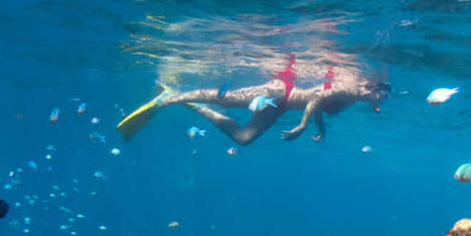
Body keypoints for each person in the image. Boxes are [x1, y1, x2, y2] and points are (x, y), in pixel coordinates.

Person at [116, 76, 390, 145]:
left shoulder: (356, 97)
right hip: (280, 92)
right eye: (382, 95)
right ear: (373, 87)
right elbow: (317, 98)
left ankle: (195, 106)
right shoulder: (353, 90)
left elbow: (319, 101)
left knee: (242, 139)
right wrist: (307, 125)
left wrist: (319, 126)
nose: (382, 101)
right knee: (227, 99)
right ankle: (171, 98)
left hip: (281, 106)